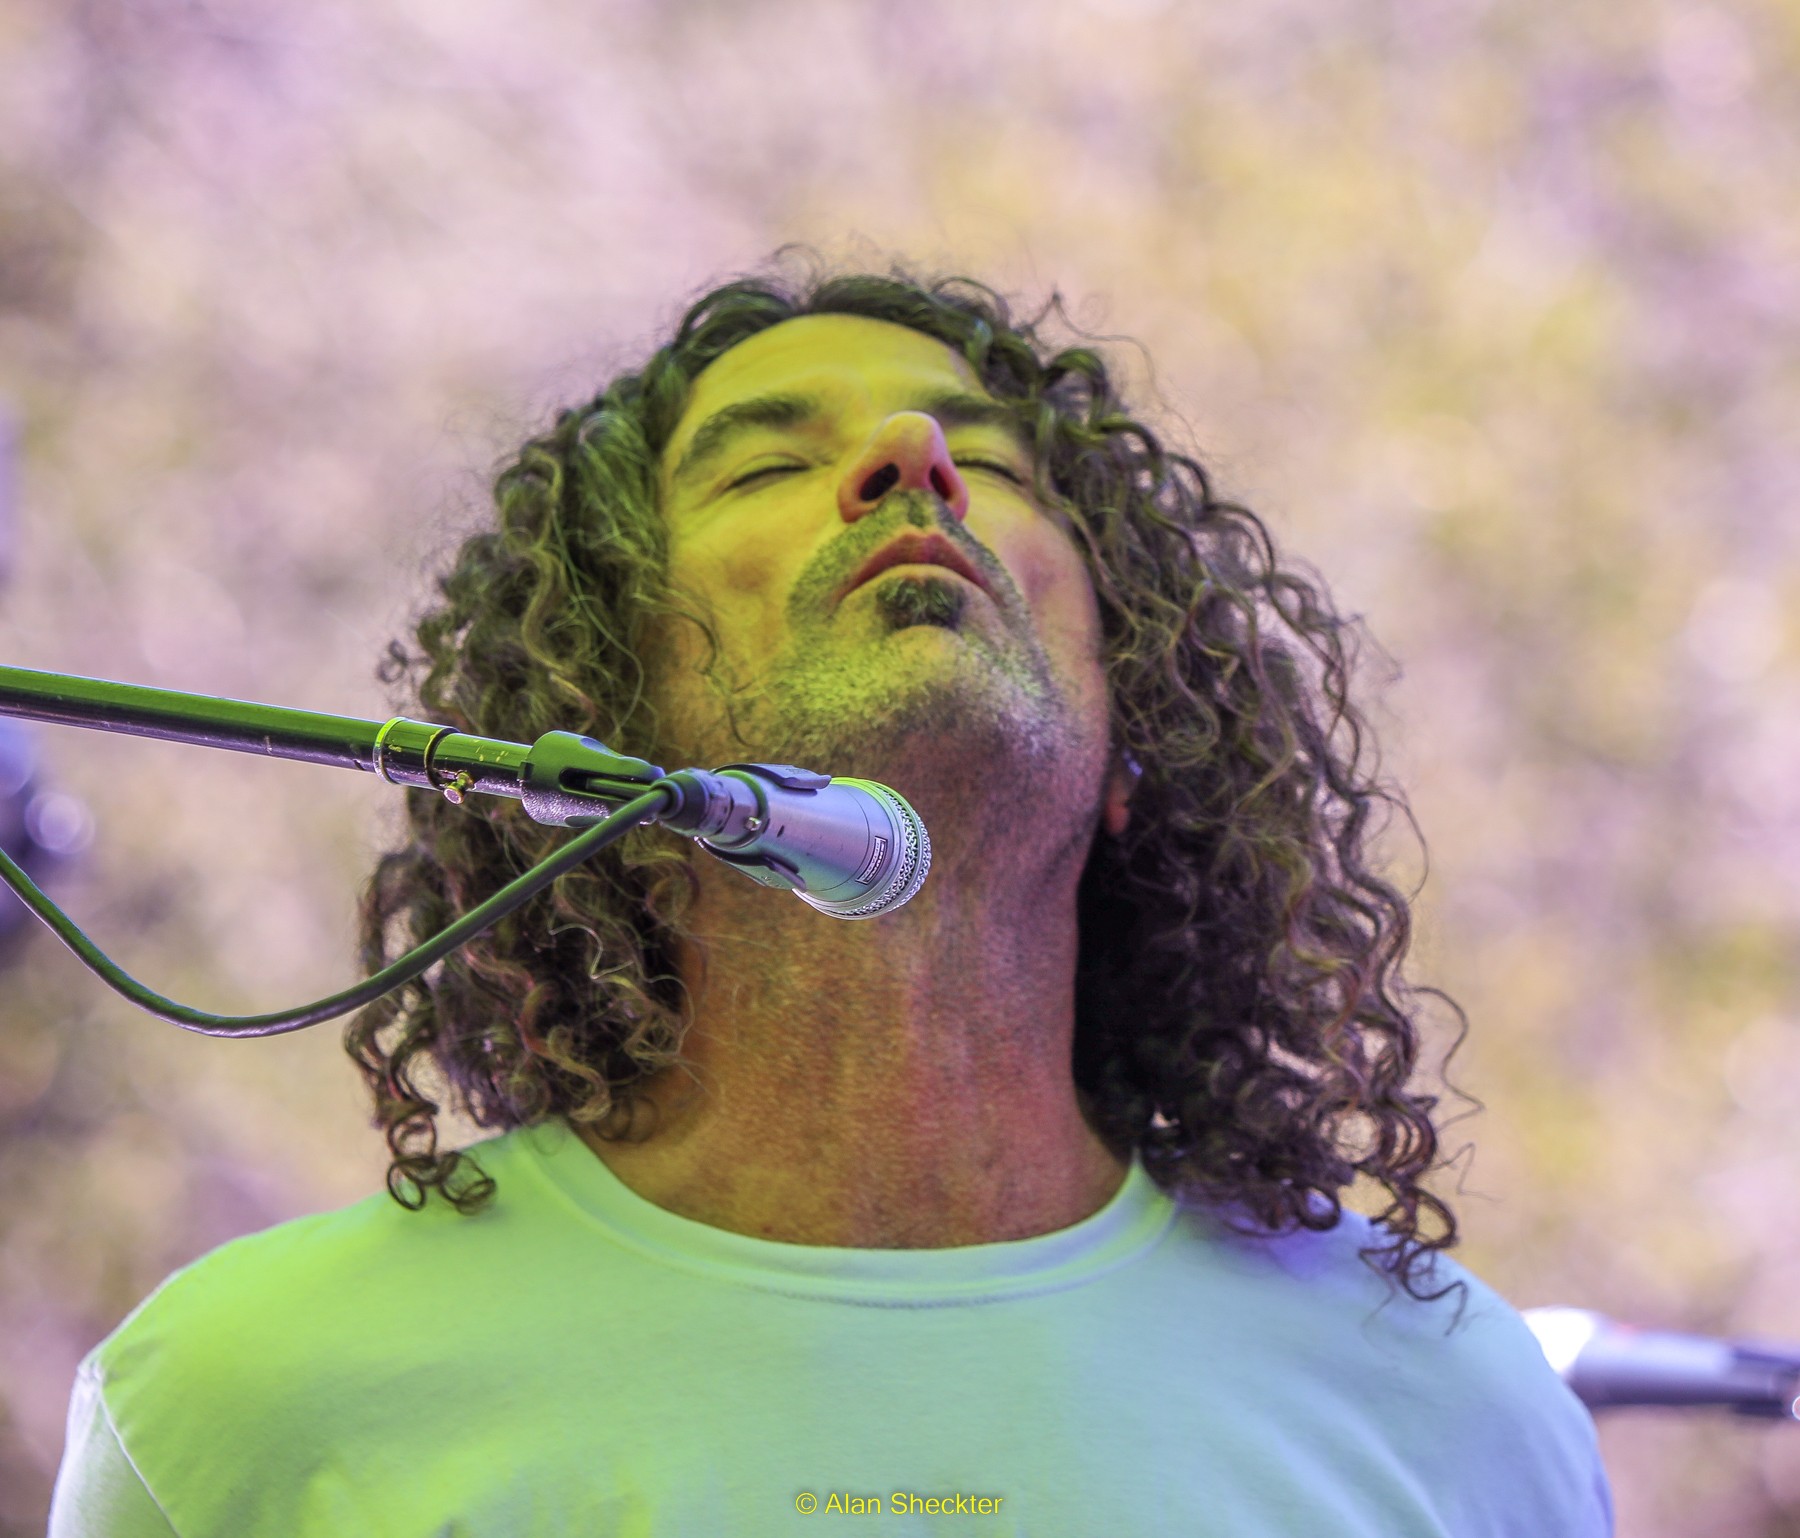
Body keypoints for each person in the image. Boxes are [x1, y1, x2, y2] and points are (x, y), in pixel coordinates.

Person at [49, 258, 1612, 1535]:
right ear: (599, 722)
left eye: (995, 462)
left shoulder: (1452, 1414)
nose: (914, 459)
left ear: (1138, 743)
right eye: (767, 463)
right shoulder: (249, 1405)